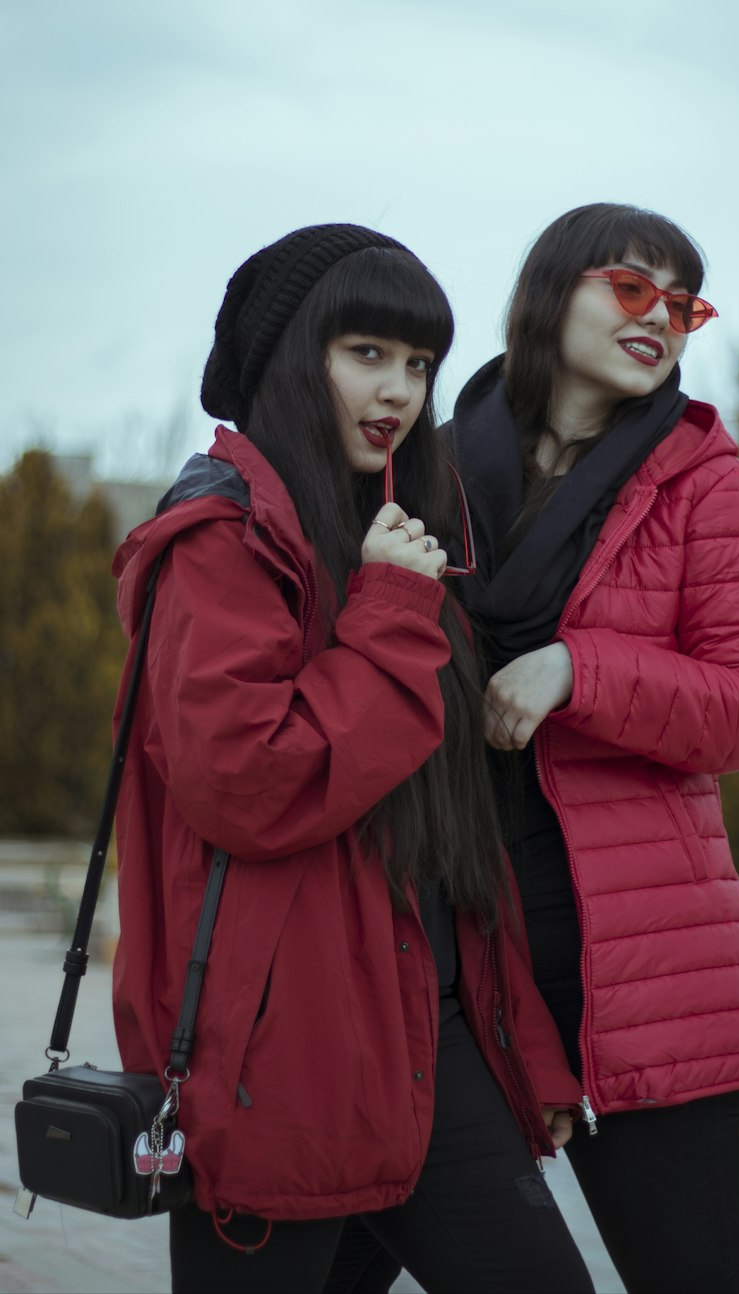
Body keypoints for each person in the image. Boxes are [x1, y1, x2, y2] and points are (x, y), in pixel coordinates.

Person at [110, 223, 596, 1294]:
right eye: (365, 354)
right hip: (284, 1058)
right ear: (296, 360)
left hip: (434, 1035)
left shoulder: (398, 535)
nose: (400, 391)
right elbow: (251, 783)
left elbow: (451, 834)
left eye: (418, 362)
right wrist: (384, 612)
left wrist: (528, 1048)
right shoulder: (217, 545)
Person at [337, 202, 739, 1293]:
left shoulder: (708, 484)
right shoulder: (427, 471)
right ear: (553, 292)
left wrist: (578, 670)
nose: (662, 318)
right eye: (632, 288)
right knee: (336, 1259)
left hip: (639, 969)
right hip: (449, 950)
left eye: (683, 303)